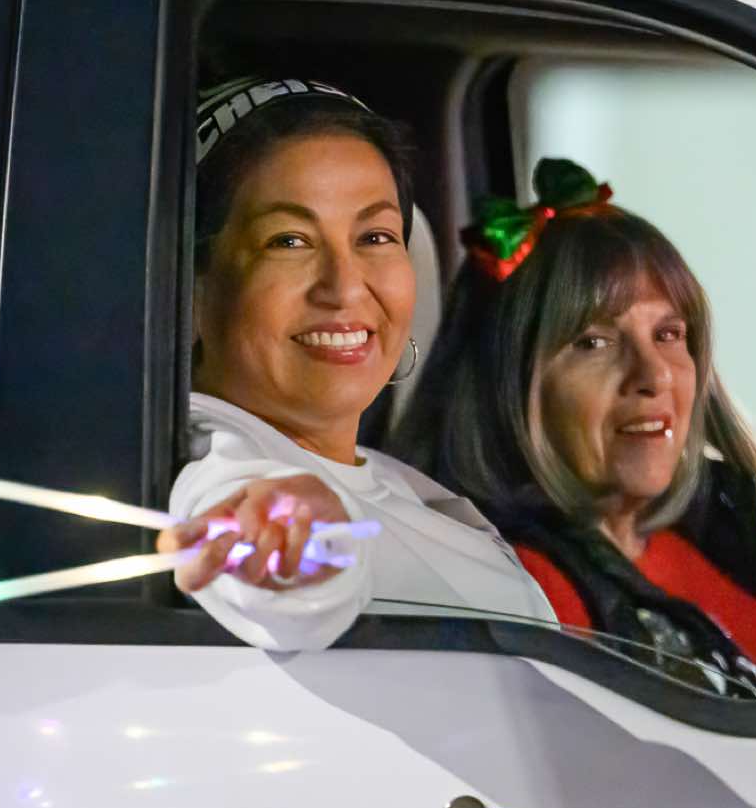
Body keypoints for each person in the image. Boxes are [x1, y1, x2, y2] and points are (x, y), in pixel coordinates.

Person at [391, 158, 756, 704]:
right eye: (594, 342)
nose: (655, 375)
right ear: (505, 385)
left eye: (668, 334)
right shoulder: (526, 593)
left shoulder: (713, 529)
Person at [158, 77, 553, 650]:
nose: (344, 288)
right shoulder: (221, 460)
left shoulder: (392, 479)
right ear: (193, 289)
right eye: (289, 241)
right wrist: (297, 551)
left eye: (374, 236)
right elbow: (263, 552)